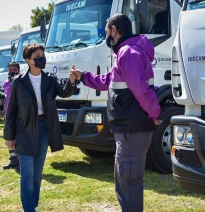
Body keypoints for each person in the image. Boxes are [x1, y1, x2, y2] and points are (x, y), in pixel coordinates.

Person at [70, 13, 162, 212]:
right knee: (126, 180)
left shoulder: (128, 53)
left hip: (132, 128)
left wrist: (155, 114)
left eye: (106, 31)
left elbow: (140, 89)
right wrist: (83, 77)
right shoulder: (125, 53)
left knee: (128, 181)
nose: (106, 36)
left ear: (114, 30)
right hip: (130, 127)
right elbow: (107, 80)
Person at [3, 43, 76, 212]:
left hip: (44, 129)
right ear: (28, 60)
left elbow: (64, 93)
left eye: (43, 55)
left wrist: (72, 81)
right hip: (24, 130)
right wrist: (8, 136)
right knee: (27, 175)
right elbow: (11, 111)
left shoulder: (50, 79)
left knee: (37, 174)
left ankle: (32, 205)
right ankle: (29, 209)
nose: (41, 58)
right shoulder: (18, 82)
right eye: (37, 56)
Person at [2, 62, 20, 171]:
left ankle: (20, 163)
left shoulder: (20, 82)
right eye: (10, 69)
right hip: (7, 115)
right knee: (9, 139)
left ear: (18, 70)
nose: (12, 71)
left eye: (14, 70)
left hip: (17, 115)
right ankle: (13, 161)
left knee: (18, 140)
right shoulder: (6, 83)